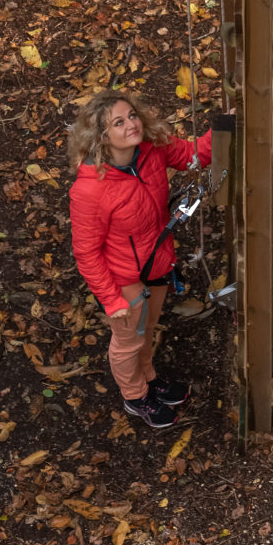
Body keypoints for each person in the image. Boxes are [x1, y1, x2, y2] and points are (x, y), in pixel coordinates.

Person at [68, 89, 212, 429]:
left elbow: (195, 156)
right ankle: (134, 396)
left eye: (132, 115)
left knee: (146, 329)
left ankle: (148, 378)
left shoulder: (151, 151)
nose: (131, 124)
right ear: (101, 136)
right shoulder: (89, 189)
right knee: (128, 339)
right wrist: (110, 298)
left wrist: (226, 124)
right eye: (119, 122)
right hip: (122, 277)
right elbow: (86, 253)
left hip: (156, 263)